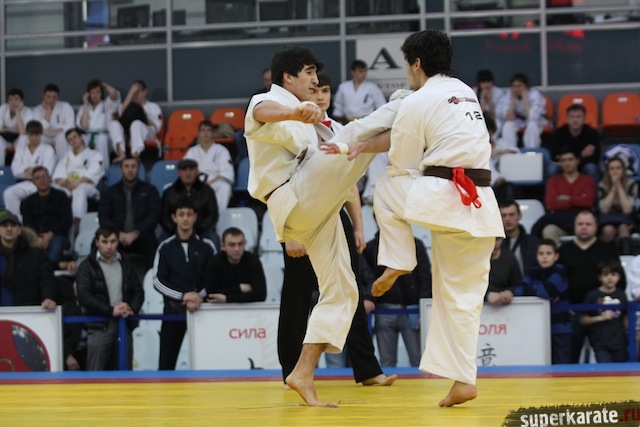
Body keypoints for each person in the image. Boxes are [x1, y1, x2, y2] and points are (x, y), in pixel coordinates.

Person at [325, 30, 504, 407]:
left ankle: (399, 259)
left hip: (443, 196)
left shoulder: (417, 100)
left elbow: (403, 160)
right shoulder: (465, 93)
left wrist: (357, 146)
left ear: (417, 63)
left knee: (389, 182)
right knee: (462, 297)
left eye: (407, 65)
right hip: (482, 205)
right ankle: (464, 379)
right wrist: (362, 142)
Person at [244, 45, 401, 406]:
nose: (316, 81)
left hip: (320, 210)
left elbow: (353, 165)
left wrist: (402, 130)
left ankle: (302, 371)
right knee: (351, 140)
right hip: (293, 198)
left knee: (344, 292)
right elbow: (262, 113)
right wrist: (296, 113)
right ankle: (404, 103)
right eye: (309, 73)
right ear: (288, 77)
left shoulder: (324, 125)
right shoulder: (271, 102)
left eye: (317, 74)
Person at [277, 72, 397, 387]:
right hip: (300, 218)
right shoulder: (293, 129)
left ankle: (368, 370)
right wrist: (290, 233)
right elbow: (278, 181)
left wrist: (358, 227)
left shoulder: (342, 131)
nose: (320, 97)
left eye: (325, 91)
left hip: (335, 215)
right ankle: (291, 370)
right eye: (315, 91)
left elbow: (349, 183)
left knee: (349, 289)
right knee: (297, 295)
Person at [153, 197, 216, 370]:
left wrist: (197, 297)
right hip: (173, 312)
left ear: (195, 217)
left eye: (189, 214)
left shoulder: (207, 246)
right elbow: (158, 281)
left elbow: (214, 277)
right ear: (174, 218)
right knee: (166, 365)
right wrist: (183, 296)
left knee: (208, 362)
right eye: (181, 214)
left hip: (203, 311)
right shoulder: (165, 247)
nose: (185, 218)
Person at [558, 210, 625, 363]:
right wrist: (564, 304)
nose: (584, 227)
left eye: (588, 224)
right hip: (572, 312)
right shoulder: (563, 251)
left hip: (603, 314)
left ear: (596, 227)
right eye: (580, 224)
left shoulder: (607, 251)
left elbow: (621, 282)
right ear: (574, 226)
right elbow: (557, 283)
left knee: (608, 360)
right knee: (569, 360)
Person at [75, 224, 144, 371]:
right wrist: (110, 310)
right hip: (99, 325)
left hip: (124, 323)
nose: (109, 246)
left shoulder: (126, 262)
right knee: (96, 376)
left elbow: (138, 290)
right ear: (97, 242)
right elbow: (84, 296)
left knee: (125, 375)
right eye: (104, 241)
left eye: (113, 241)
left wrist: (132, 308)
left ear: (118, 242)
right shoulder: (86, 266)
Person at [361, 230, 431, 367]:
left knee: (419, 359)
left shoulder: (415, 244)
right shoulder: (371, 247)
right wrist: (369, 297)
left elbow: (425, 277)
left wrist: (424, 309)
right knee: (387, 361)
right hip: (383, 308)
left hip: (412, 308)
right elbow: (367, 277)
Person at [511, 239, 572, 364]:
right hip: (537, 327)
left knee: (562, 364)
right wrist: (540, 289)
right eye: (541, 253)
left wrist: (533, 289)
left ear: (556, 256)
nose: (544, 257)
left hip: (560, 327)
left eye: (548, 253)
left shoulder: (560, 270)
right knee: (539, 362)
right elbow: (519, 290)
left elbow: (547, 292)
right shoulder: (533, 271)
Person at [98, 155, 160, 272]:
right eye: (126, 166)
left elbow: (153, 216)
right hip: (116, 236)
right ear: (121, 169)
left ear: (138, 169)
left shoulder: (150, 190)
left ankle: (151, 278)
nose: (130, 170)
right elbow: (103, 216)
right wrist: (117, 233)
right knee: (99, 241)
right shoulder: (110, 192)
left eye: (133, 166)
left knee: (150, 239)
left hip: (141, 235)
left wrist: (135, 233)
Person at [531, 147, 596, 245]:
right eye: (564, 160)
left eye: (570, 159)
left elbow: (588, 202)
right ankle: (556, 254)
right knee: (548, 230)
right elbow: (551, 204)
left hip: (583, 222)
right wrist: (579, 199)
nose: (567, 163)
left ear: (577, 161)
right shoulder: (553, 181)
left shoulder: (588, 180)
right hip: (560, 223)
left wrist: (567, 198)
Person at [0, 209, 58, 308]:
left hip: (27, 312)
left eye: (13, 225)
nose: (9, 228)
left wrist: (48, 297)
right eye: (5, 225)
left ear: (19, 230)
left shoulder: (36, 255)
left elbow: (46, 279)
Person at [52, 128, 104, 235]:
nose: (73, 141)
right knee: (51, 188)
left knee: (80, 189)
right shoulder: (67, 156)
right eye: (70, 139)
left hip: (87, 187)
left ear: (81, 137)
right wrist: (64, 182)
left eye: (75, 137)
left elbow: (93, 173)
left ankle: (78, 223)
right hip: (67, 186)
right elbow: (58, 175)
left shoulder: (94, 154)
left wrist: (78, 182)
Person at [20, 166, 73, 268]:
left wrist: (50, 235)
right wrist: (37, 238)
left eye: (44, 176)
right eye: (37, 178)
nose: (42, 180)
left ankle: (46, 270)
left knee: (56, 244)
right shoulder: (28, 202)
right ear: (33, 182)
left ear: (50, 178)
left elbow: (67, 221)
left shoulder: (61, 196)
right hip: (35, 236)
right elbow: (27, 223)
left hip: (58, 236)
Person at [159, 158, 219, 246]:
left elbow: (212, 215)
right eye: (184, 170)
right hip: (174, 231)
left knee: (213, 239)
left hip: (201, 231)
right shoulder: (169, 192)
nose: (188, 173)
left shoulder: (207, 191)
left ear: (197, 172)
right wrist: (176, 229)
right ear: (179, 172)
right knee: (162, 240)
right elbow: (164, 216)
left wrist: (199, 228)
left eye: (191, 169)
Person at [3, 120, 56, 217]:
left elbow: (47, 170)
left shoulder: (48, 149)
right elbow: (15, 170)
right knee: (8, 193)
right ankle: (16, 220)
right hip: (24, 183)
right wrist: (29, 169)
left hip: (41, 184)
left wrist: (30, 171)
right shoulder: (21, 149)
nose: (34, 138)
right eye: (31, 135)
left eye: (36, 135)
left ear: (41, 134)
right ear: (27, 134)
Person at [580, 259, 628, 363]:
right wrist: (600, 318)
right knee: (605, 369)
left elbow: (625, 316)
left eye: (613, 274)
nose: (610, 277)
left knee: (621, 371)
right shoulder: (592, 295)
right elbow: (583, 319)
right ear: (600, 277)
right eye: (606, 274)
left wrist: (630, 332)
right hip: (600, 342)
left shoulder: (622, 294)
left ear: (619, 277)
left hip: (620, 342)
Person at [183, 120, 234, 215]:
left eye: (208, 130)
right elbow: (185, 170)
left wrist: (209, 183)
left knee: (225, 187)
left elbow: (226, 172)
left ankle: (217, 216)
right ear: (199, 133)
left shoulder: (221, 150)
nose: (205, 133)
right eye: (203, 130)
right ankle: (193, 216)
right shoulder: (192, 151)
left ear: (213, 133)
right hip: (197, 182)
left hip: (216, 181)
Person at [205, 227, 266, 303]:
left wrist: (227, 298)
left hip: (248, 309)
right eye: (232, 245)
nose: (237, 249)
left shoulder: (253, 261)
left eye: (240, 244)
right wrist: (239, 288)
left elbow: (261, 295)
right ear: (223, 246)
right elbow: (211, 294)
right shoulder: (214, 262)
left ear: (245, 244)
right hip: (220, 308)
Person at [108, 79, 163, 160]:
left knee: (136, 124)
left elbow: (157, 128)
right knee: (113, 124)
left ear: (145, 91)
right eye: (133, 92)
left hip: (148, 133)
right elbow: (121, 113)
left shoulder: (153, 106)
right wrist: (131, 92)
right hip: (128, 134)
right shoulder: (128, 105)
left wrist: (143, 117)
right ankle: (121, 153)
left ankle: (135, 155)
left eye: (138, 92)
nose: (135, 95)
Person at [76, 79, 121, 174]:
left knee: (101, 139)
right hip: (88, 136)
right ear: (89, 94)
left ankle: (104, 172)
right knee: (76, 141)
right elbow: (84, 126)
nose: (95, 95)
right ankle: (78, 171)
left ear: (101, 93)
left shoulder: (107, 104)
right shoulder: (84, 108)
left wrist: (104, 85)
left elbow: (114, 94)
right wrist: (85, 103)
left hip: (106, 136)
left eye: (97, 92)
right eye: (92, 92)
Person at [496, 72, 550, 150]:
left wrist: (525, 98)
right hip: (520, 121)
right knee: (508, 125)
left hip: (538, 121)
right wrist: (513, 101)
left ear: (526, 86)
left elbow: (531, 117)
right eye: (514, 86)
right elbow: (507, 118)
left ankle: (531, 151)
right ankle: (510, 151)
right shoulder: (509, 95)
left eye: (520, 86)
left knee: (532, 125)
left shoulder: (534, 94)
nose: (517, 89)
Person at [548, 104, 600, 182]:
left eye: (579, 117)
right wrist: (581, 154)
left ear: (584, 119)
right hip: (564, 166)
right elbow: (555, 156)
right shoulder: (559, 133)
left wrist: (567, 159)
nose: (575, 120)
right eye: (572, 116)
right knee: (552, 169)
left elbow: (595, 158)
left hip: (583, 166)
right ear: (567, 119)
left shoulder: (592, 133)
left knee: (591, 168)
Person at [597, 155, 638, 254]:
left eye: (618, 168)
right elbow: (604, 209)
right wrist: (613, 189)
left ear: (623, 170)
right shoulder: (602, 185)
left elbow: (627, 210)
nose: (615, 171)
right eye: (612, 169)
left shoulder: (632, 184)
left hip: (627, 219)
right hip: (608, 219)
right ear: (607, 171)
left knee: (623, 228)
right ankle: (608, 258)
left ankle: (626, 258)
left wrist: (619, 187)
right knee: (608, 230)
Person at [332, 59, 387, 124]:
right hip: (347, 122)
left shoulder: (372, 87)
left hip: (367, 121)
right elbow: (338, 105)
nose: (364, 74)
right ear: (353, 72)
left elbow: (381, 105)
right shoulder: (343, 87)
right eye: (360, 71)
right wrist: (338, 120)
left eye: (365, 71)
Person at [31, 83, 75, 161]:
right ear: (43, 96)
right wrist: (49, 110)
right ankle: (42, 164)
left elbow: (71, 125)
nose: (51, 100)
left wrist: (55, 130)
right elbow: (38, 128)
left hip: (60, 134)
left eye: (54, 97)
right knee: (39, 139)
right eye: (48, 97)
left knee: (61, 137)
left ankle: (62, 162)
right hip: (45, 136)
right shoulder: (37, 110)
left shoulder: (65, 106)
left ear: (58, 97)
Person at [499, 199, 540, 276]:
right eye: (503, 215)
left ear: (519, 216)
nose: (507, 219)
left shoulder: (533, 243)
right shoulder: (495, 244)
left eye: (511, 215)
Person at [485, 236, 522, 307]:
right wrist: (487, 295)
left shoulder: (509, 257)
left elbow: (519, 284)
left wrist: (510, 292)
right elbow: (468, 287)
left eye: (497, 239)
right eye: (490, 239)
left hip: (506, 307)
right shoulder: (475, 259)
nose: (494, 243)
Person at [0, 88, 33, 166]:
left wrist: (17, 112)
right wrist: (14, 130)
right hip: (4, 137)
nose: (13, 102)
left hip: (18, 138)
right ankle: (1, 167)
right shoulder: (3, 108)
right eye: (10, 99)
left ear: (22, 101)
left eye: (16, 99)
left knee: (24, 138)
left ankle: (18, 166)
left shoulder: (27, 111)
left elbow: (23, 132)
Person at [475, 69, 506, 135]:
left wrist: (489, 100)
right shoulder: (474, 92)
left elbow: (496, 114)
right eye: (483, 82)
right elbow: (477, 113)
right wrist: (484, 100)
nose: (486, 84)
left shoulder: (499, 93)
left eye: (488, 81)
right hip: (480, 118)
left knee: (497, 124)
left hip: (494, 118)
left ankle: (493, 141)